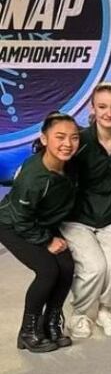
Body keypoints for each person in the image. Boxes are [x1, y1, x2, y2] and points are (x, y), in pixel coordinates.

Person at [0, 112, 80, 352]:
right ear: (44, 139)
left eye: (74, 137)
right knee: (47, 270)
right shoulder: (34, 177)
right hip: (13, 224)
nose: (68, 143)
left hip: (42, 222)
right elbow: (21, 219)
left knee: (66, 267)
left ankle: (51, 322)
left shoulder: (68, 162)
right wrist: (47, 241)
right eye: (60, 137)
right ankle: (28, 331)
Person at [61, 83, 111, 339]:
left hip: (110, 218)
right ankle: (80, 314)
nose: (109, 113)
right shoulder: (78, 141)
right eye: (102, 107)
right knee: (95, 268)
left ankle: (107, 309)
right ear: (92, 108)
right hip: (76, 219)